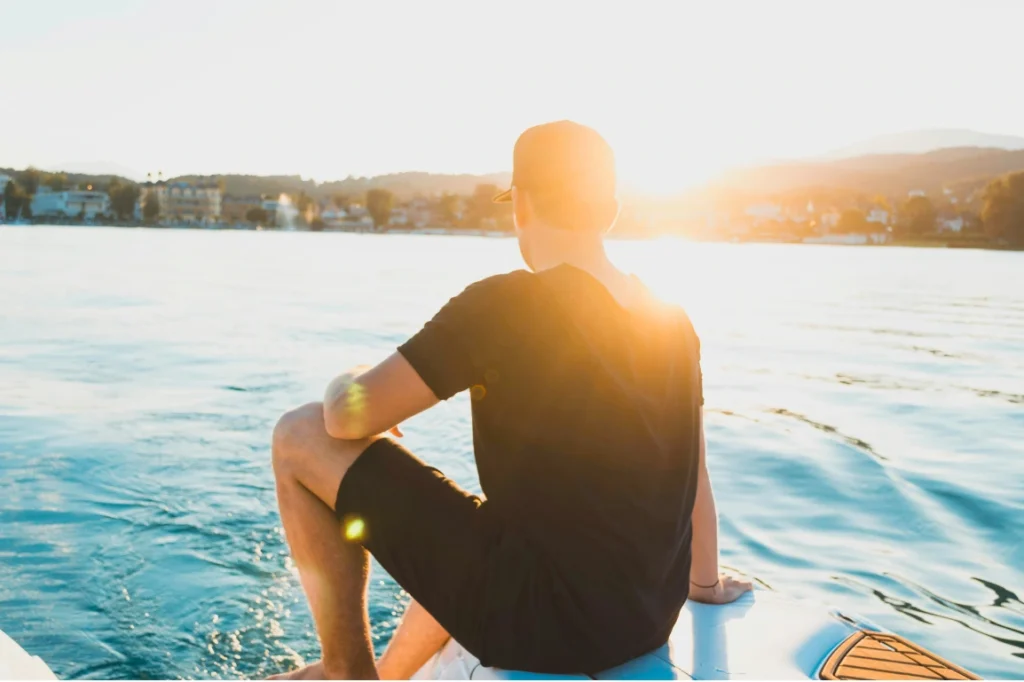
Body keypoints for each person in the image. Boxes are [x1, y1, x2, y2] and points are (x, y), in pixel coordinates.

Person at [269, 120, 752, 680]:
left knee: (298, 433)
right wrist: (705, 586)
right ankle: (392, 672)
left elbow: (343, 416)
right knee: (489, 521)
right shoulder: (670, 322)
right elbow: (697, 477)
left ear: (520, 206)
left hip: (543, 628)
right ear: (610, 211)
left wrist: (353, 375)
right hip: (645, 618)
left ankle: (343, 671)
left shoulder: (503, 306)